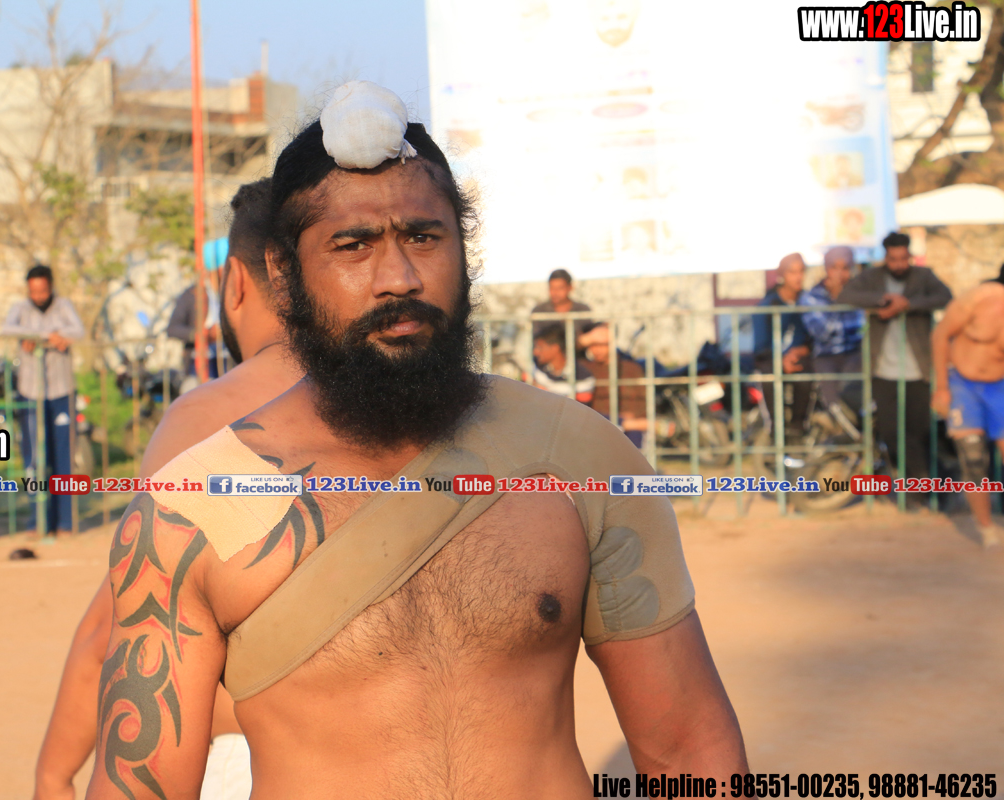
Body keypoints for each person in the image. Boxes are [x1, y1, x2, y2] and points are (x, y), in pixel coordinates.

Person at [85, 83, 745, 800]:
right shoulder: (192, 512)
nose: (398, 278)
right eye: (353, 245)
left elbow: (689, 750)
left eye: (424, 237)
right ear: (282, 274)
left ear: (464, 250)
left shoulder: (582, 460)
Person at [34, 179, 300, 800]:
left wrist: (53, 775)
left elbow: (114, 626)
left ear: (236, 283)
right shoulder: (432, 409)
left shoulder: (213, 418)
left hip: (256, 762)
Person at [839, 231, 952, 487]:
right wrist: (883, 300)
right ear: (885, 257)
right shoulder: (872, 278)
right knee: (891, 432)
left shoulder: (924, 276)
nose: (899, 264)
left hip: (918, 370)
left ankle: (919, 486)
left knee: (919, 432)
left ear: (909, 256)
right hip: (883, 371)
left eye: (903, 258)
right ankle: (919, 482)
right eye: (893, 259)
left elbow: (945, 297)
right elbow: (846, 296)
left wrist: (907, 304)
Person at [1, 266, 85, 535]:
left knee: (63, 457)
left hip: (61, 390)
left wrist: (62, 337)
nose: (38, 296)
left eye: (43, 290)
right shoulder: (20, 308)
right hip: (30, 392)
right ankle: (39, 520)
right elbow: (5, 328)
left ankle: (65, 522)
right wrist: (34, 336)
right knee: (34, 460)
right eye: (33, 291)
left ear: (51, 286)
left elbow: (79, 330)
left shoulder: (63, 305)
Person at [930, 265, 1004, 547]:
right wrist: (942, 387)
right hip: (964, 384)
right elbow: (940, 335)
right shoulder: (979, 299)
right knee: (973, 460)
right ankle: (986, 528)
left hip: (1000, 387)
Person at [752, 253, 813, 434]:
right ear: (782, 275)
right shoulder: (768, 305)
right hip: (771, 359)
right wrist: (781, 359)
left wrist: (801, 351)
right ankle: (776, 431)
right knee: (770, 378)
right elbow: (761, 346)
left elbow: (814, 338)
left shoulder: (809, 302)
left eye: (801, 271)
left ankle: (798, 427)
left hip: (798, 358)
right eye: (792, 272)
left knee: (805, 376)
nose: (798, 277)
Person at [800, 246, 864, 409]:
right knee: (833, 403)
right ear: (827, 269)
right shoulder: (812, 296)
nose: (840, 274)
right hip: (826, 356)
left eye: (845, 268)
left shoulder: (859, 294)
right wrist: (838, 299)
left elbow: (862, 327)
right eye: (834, 268)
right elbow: (823, 332)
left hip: (854, 355)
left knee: (852, 396)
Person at [578, 322, 648, 448]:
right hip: (597, 427)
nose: (597, 349)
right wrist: (585, 339)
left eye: (602, 344)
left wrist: (629, 418)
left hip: (630, 430)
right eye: (593, 344)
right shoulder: (584, 369)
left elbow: (642, 404)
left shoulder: (631, 368)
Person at [531, 324, 596, 402]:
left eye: (540, 347)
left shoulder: (583, 376)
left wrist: (545, 391)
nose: (535, 352)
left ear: (555, 348)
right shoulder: (534, 369)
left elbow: (581, 402)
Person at [530, 268, 594, 339]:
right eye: (552, 288)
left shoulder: (583, 310)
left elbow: (589, 337)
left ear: (570, 288)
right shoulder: (539, 311)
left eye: (560, 288)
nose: (555, 292)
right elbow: (537, 340)